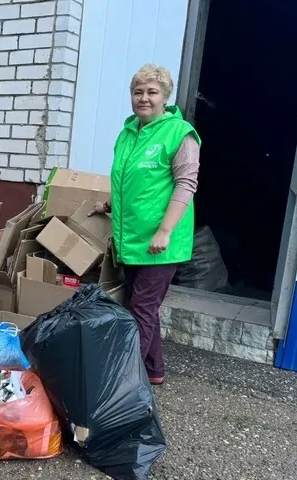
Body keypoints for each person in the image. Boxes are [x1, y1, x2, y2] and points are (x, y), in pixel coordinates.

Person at [92, 64, 201, 386]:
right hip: (132, 239)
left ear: (165, 97)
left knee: (140, 309)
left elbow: (185, 185)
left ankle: (123, 385)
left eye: (152, 92)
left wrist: (165, 231)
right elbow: (131, 182)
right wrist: (109, 205)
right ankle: (154, 371)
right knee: (143, 307)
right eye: (138, 92)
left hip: (160, 243)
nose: (144, 98)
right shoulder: (128, 133)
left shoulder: (179, 134)